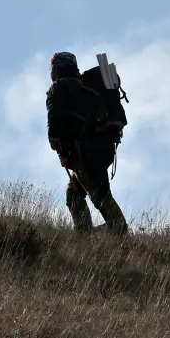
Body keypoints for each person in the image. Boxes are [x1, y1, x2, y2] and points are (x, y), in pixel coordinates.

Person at [45, 52, 128, 234]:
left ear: (56, 69)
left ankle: (120, 233)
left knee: (101, 197)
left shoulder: (58, 88)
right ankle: (85, 237)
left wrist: (58, 145)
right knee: (73, 195)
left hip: (84, 154)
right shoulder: (88, 85)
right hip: (104, 148)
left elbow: (54, 129)